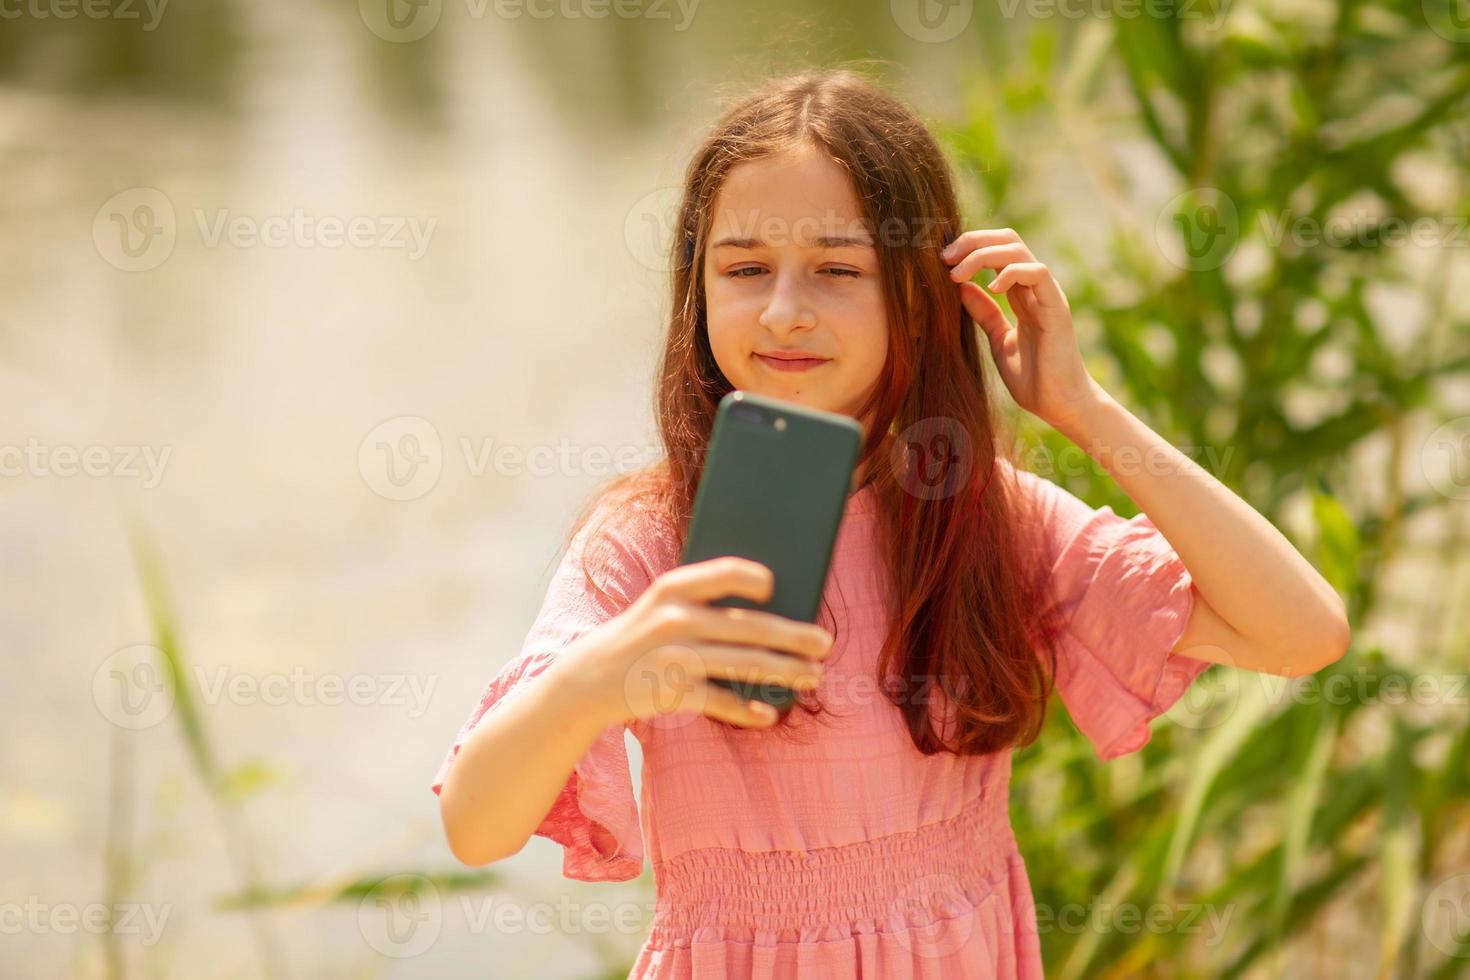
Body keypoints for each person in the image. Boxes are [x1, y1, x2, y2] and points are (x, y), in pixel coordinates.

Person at [431, 69, 1351, 978]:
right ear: (697, 291)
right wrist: (596, 681)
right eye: (746, 268)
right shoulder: (650, 539)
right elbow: (477, 826)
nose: (785, 310)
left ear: (918, 296)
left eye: (838, 270)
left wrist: (1082, 409)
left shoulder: (983, 516)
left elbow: (1302, 632)